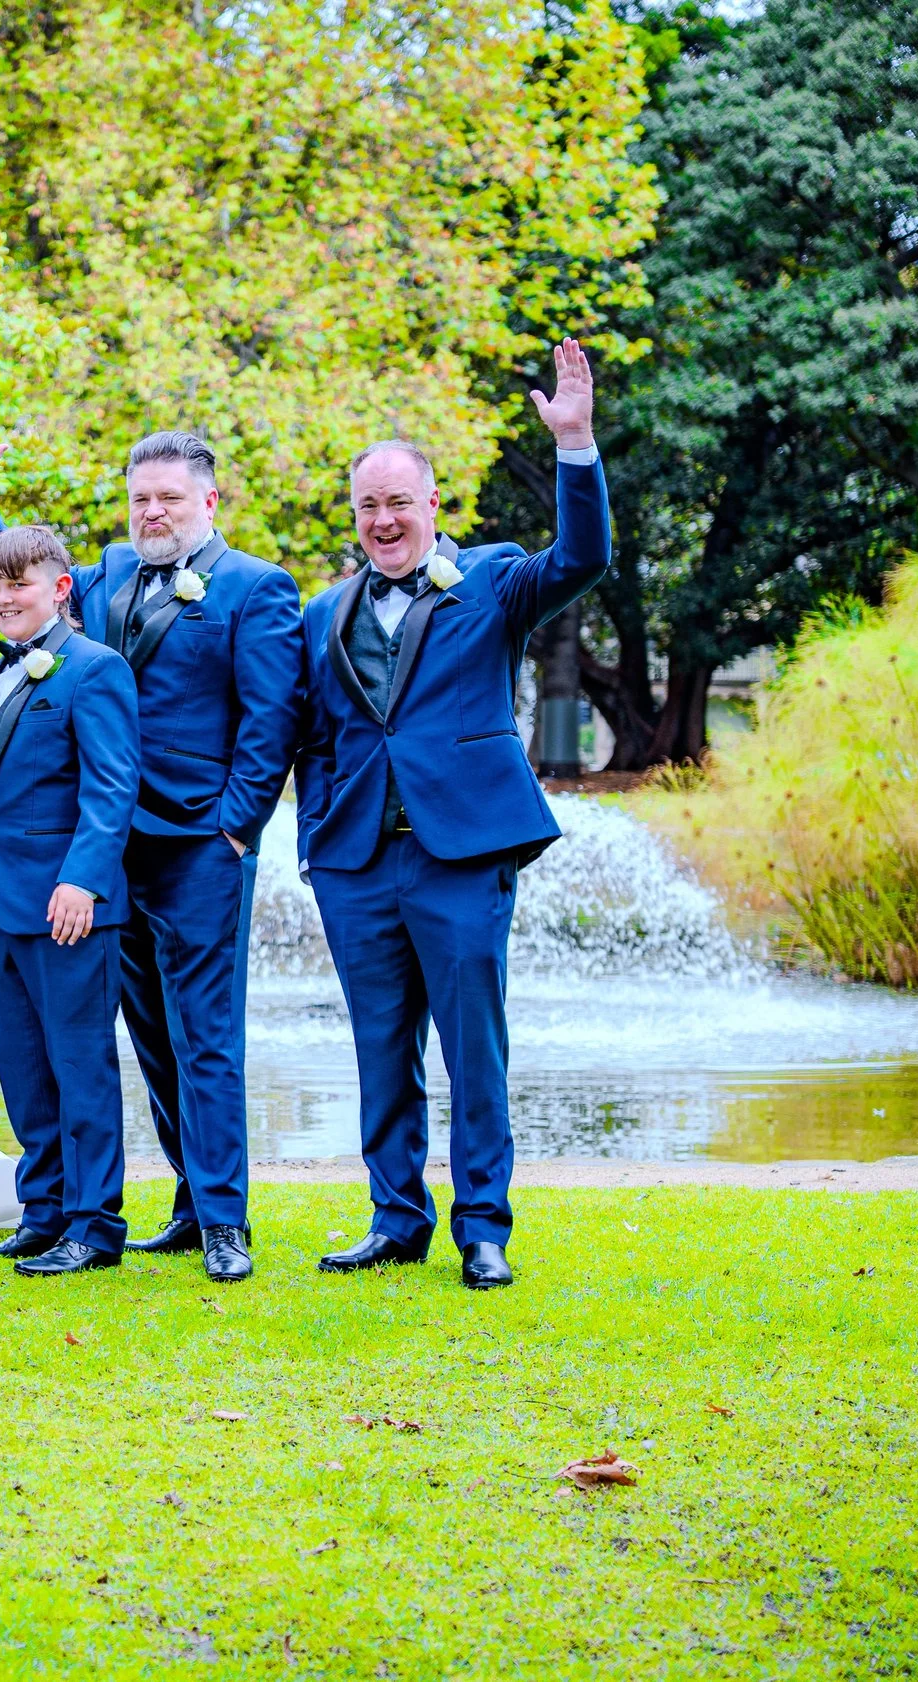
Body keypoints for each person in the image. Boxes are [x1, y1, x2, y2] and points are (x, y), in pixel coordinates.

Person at [0, 431, 302, 1283]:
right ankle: (180, 1200)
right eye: (141, 497)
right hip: (99, 854)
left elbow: (271, 721)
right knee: (145, 1038)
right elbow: (22, 579)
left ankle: (224, 1221)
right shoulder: (101, 576)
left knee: (204, 1036)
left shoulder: (255, 589)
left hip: (196, 849)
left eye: (170, 497)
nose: (153, 511)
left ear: (208, 501)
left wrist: (234, 831)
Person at [296, 338, 610, 1291]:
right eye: (368, 505)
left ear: (434, 505)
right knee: (379, 1049)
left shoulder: (493, 580)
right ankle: (397, 1218)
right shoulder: (323, 611)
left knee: (474, 1047)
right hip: (357, 863)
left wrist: (575, 445)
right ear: (354, 516)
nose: (384, 519)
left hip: (463, 856)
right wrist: (314, 835)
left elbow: (585, 558)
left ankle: (483, 1228)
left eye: (400, 501)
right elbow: (310, 732)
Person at [0, 525, 141, 1276]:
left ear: (60, 589)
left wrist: (84, 878)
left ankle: (95, 1227)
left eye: (17, 585)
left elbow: (111, 784)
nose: (2, 599)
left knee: (80, 1065)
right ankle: (45, 1211)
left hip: (69, 903)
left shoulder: (95, 670)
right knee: (24, 1068)